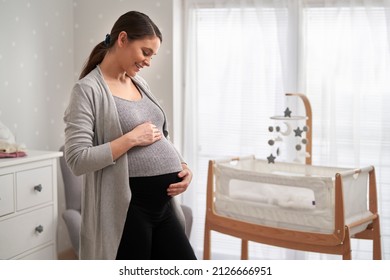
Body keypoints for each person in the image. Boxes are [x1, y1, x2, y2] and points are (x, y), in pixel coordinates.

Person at [64, 11, 196, 260]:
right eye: (145, 52)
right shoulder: (87, 90)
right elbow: (77, 159)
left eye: (152, 56)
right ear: (122, 39)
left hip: (164, 206)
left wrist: (182, 165)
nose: (148, 62)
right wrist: (131, 139)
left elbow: (160, 134)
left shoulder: (139, 83)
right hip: (129, 209)